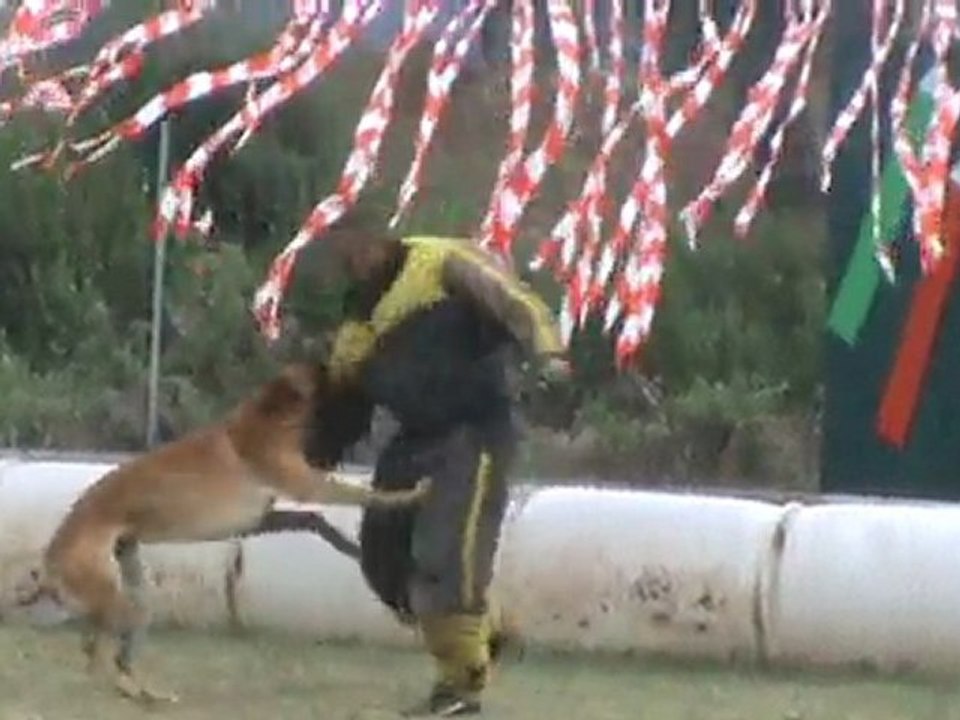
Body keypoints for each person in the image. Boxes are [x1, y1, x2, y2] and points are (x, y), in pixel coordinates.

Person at [305, 219, 570, 717]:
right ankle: (485, 632)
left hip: (474, 432)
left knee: (447, 557)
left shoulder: (440, 261)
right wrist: (306, 459)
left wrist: (547, 356)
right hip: (411, 442)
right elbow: (340, 409)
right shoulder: (355, 329)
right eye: (344, 256)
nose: (354, 260)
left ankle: (461, 689)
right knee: (383, 562)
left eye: (359, 247)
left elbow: (512, 299)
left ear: (381, 238)